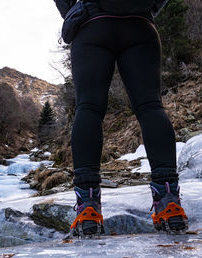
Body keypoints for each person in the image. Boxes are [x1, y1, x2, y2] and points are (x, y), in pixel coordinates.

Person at [54, 0, 188, 236]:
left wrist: (72, 12)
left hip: (92, 23)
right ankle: (169, 202)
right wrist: (149, 7)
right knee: (150, 107)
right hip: (140, 24)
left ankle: (88, 208)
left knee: (89, 108)